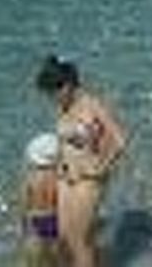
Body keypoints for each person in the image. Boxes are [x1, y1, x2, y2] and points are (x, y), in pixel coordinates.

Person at [35, 55, 127, 267]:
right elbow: (66, 143)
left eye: (53, 92)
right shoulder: (63, 107)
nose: (52, 98)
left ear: (67, 86)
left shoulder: (92, 105)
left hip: (88, 180)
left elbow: (120, 140)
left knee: (79, 241)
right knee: (65, 238)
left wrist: (103, 168)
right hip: (65, 178)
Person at [20, 131, 61, 265]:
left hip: (35, 220)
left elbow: (24, 203)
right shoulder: (58, 178)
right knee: (54, 258)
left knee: (33, 260)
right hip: (55, 219)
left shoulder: (31, 178)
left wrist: (22, 225)